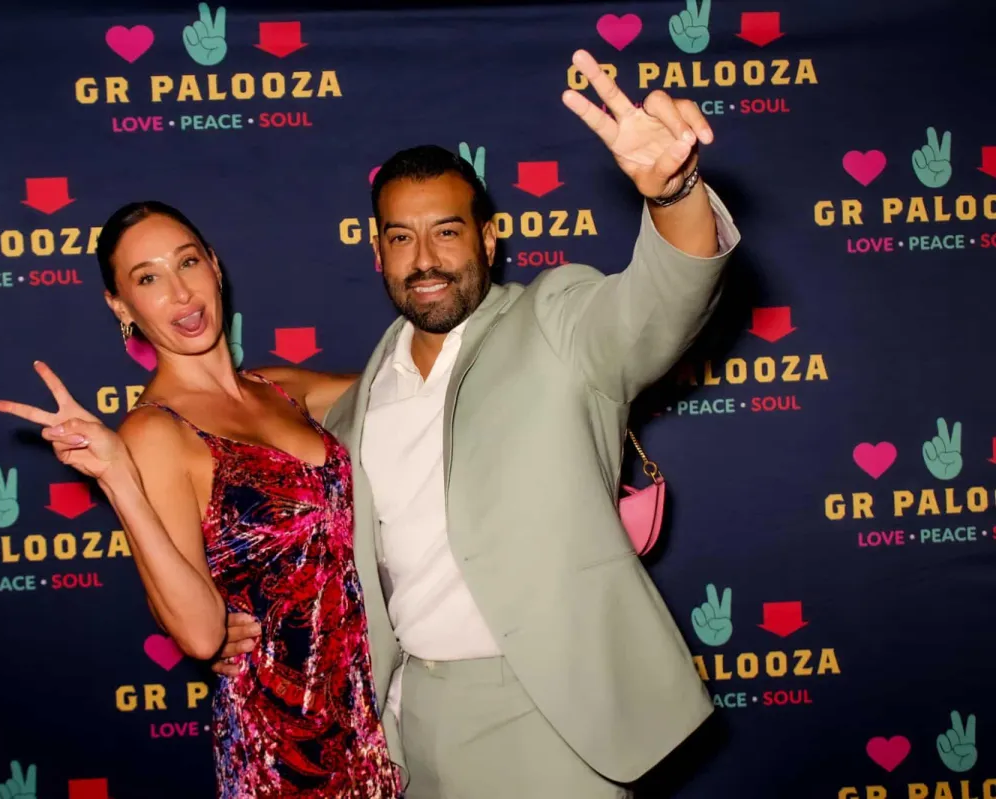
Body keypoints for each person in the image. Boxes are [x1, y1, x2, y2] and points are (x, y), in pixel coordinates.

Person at [215, 49, 743, 797]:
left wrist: (675, 193)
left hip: (548, 712)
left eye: (447, 231)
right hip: (408, 716)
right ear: (377, 252)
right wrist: (237, 624)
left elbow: (660, 305)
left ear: (489, 238)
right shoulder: (364, 396)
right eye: (401, 237)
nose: (425, 259)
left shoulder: (556, 319)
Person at [0, 200, 402, 799]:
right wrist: (118, 477)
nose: (180, 293)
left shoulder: (282, 388)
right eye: (148, 278)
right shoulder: (154, 432)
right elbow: (203, 635)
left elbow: (422, 386)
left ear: (214, 266)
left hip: (378, 723)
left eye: (187, 263)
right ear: (120, 306)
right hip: (285, 751)